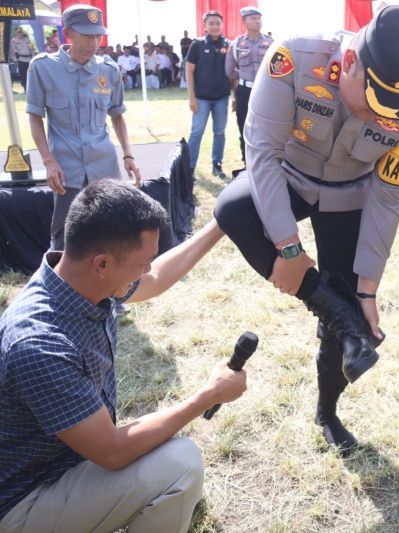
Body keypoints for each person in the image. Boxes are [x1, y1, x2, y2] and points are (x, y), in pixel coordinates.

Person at [214, 5, 399, 453]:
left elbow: (387, 197)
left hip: (348, 194)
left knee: (350, 301)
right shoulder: (295, 58)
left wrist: (368, 291)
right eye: (373, 103)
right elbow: (261, 152)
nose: (380, 119)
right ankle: (329, 306)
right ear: (350, 63)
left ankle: (328, 409)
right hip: (289, 177)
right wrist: (289, 248)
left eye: (390, 111)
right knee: (233, 209)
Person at [0, 181, 247, 532]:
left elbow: (158, 277)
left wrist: (221, 225)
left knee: (167, 464)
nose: (146, 271)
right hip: (23, 502)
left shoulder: (79, 282)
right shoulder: (40, 344)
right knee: (181, 466)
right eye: (141, 263)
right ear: (101, 263)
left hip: (63, 465)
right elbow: (113, 452)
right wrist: (208, 396)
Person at [26, 4, 141, 251]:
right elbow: (35, 117)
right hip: (66, 168)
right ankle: (58, 284)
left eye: (98, 36)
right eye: (87, 35)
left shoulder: (108, 70)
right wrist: (48, 161)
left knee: (110, 229)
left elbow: (117, 116)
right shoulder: (42, 67)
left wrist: (128, 155)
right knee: (65, 234)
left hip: (104, 164)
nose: (94, 42)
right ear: (68, 33)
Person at [186, 10, 231, 179]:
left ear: (222, 25)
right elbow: (189, 71)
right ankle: (189, 168)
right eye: (211, 23)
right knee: (196, 133)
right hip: (201, 98)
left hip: (221, 98)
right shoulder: (197, 44)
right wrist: (192, 97)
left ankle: (217, 164)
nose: (214, 26)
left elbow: (232, 73)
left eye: (217, 23)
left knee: (220, 132)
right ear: (204, 25)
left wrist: (235, 97)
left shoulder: (228, 44)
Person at [226, 6, 273, 164]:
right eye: (253, 18)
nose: (257, 21)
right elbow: (229, 70)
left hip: (265, 91)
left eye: (259, 18)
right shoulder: (236, 43)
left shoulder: (272, 43)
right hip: (244, 91)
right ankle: (247, 163)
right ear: (244, 21)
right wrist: (245, 76)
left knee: (267, 128)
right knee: (244, 126)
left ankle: (266, 162)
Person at [10, 27, 35, 92]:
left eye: (21, 32)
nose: (19, 33)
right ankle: (25, 88)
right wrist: (14, 58)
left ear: (22, 33)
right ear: (16, 33)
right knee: (23, 74)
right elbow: (13, 50)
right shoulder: (14, 40)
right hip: (21, 59)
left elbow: (31, 49)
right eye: (18, 32)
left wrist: (33, 57)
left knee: (30, 73)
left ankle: (31, 88)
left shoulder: (27, 40)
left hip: (29, 59)